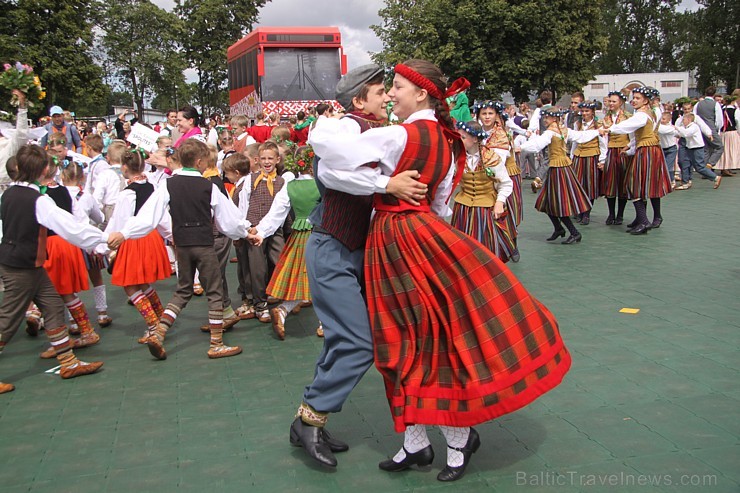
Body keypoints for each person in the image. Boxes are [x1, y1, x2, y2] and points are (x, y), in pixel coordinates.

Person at [309, 59, 571, 481]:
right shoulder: (447, 141)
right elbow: (441, 204)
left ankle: (452, 438)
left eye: (396, 87)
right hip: (423, 236)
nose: (391, 94)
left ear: (421, 93)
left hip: (395, 242)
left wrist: (331, 124)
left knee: (408, 342)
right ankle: (418, 444)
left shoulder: (398, 134)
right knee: (419, 338)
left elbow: (330, 153)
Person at [288, 64, 429, 470]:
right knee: (358, 342)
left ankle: (306, 421)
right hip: (332, 246)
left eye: (389, 90)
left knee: (341, 340)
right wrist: (388, 185)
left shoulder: (376, 134)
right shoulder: (344, 129)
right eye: (380, 91)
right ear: (358, 101)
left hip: (356, 250)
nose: (387, 97)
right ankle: (312, 417)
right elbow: (333, 173)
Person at [107, 139, 248, 360]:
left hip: (182, 245)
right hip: (203, 244)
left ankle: (159, 332)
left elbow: (149, 216)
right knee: (214, 290)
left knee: (183, 291)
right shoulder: (208, 186)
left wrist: (124, 233)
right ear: (200, 161)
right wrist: (247, 233)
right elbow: (228, 220)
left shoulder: (168, 184)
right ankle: (216, 343)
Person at [1, 145, 106, 393]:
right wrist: (104, 238)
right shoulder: (39, 200)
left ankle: (68, 362)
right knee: (7, 320)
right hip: (23, 266)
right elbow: (70, 228)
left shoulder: (9, 193)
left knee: (53, 307)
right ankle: (68, 362)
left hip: (27, 264)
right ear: (44, 169)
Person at [247, 145, 323, 339]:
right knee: (322, 279)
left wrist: (261, 232)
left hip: (298, 237)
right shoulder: (322, 185)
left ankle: (282, 311)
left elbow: (276, 214)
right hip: (320, 235)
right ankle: (324, 323)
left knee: (305, 279)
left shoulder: (290, 186)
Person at [99, 149, 171, 344]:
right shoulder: (151, 187)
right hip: (151, 238)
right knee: (143, 282)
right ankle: (161, 319)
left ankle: (153, 325)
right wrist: (171, 236)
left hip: (134, 240)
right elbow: (162, 217)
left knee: (130, 284)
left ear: (124, 167)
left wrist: (105, 246)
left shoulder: (127, 193)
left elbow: (118, 223)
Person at [600, 86, 673, 233]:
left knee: (635, 184)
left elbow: (628, 127)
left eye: (638, 98)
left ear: (646, 100)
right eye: (633, 98)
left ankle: (644, 221)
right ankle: (644, 218)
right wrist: (630, 148)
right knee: (646, 183)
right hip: (649, 150)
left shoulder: (641, 115)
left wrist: (609, 129)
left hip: (647, 151)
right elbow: (638, 135)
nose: (634, 101)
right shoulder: (649, 112)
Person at [521, 108, 596, 244]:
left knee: (557, 203)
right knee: (548, 201)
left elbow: (537, 145)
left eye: (547, 117)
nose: (545, 120)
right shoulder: (563, 130)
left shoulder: (550, 132)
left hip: (558, 170)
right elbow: (581, 136)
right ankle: (558, 228)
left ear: (554, 118)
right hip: (562, 168)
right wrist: (597, 132)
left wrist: (521, 147)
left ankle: (574, 232)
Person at [451, 120, 516, 262]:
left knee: (485, 249)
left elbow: (506, 183)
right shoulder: (456, 157)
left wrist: (499, 202)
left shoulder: (491, 158)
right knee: (462, 250)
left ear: (475, 139)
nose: (459, 141)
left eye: (462, 137)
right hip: (463, 209)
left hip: (484, 210)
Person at [570, 101, 606, 225]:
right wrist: (571, 155)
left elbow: (603, 143)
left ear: (592, 112)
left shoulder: (598, 125)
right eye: (583, 111)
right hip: (579, 155)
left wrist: (602, 159)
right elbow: (575, 140)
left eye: (587, 111)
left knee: (590, 185)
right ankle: (579, 210)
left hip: (592, 156)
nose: (584, 113)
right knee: (578, 184)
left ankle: (587, 213)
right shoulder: (577, 123)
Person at [601, 90, 631, 225]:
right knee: (610, 183)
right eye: (610, 101)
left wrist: (629, 149)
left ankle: (620, 214)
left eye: (614, 101)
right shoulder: (605, 118)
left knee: (622, 183)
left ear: (621, 103)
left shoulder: (628, 117)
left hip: (623, 151)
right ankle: (611, 213)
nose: (611, 104)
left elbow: (632, 136)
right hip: (611, 151)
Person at [675, 113, 721, 190]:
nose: (682, 121)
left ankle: (715, 177)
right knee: (684, 162)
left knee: (699, 167)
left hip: (697, 148)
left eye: (684, 119)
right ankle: (685, 181)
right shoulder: (686, 127)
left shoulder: (694, 127)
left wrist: (676, 128)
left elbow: (686, 133)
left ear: (689, 120)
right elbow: (682, 133)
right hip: (690, 148)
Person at [694, 86, 725, 169]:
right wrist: (717, 129)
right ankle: (711, 163)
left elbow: (694, 117)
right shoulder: (716, 104)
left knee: (706, 149)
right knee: (719, 147)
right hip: (711, 128)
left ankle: (704, 170)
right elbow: (719, 120)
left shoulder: (698, 104)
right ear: (714, 95)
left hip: (700, 129)